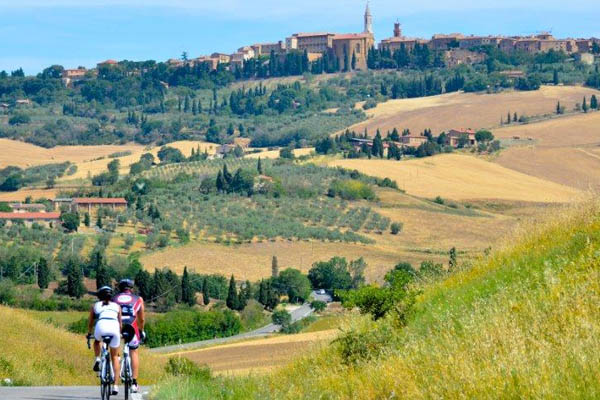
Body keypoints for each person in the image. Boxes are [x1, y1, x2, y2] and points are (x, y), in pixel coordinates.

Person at [87, 286, 122, 396]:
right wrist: (119, 333)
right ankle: (115, 386)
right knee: (115, 357)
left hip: (101, 326)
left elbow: (91, 322)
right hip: (114, 328)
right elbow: (120, 324)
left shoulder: (95, 305)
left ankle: (97, 359)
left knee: (97, 341)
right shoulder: (117, 306)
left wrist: (89, 333)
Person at [113, 278, 145, 393]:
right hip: (131, 327)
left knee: (114, 351)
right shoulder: (138, 299)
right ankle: (134, 383)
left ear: (119, 288)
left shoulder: (114, 299)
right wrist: (141, 330)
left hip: (117, 326)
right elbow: (141, 319)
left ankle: (115, 373)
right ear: (131, 288)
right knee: (134, 351)